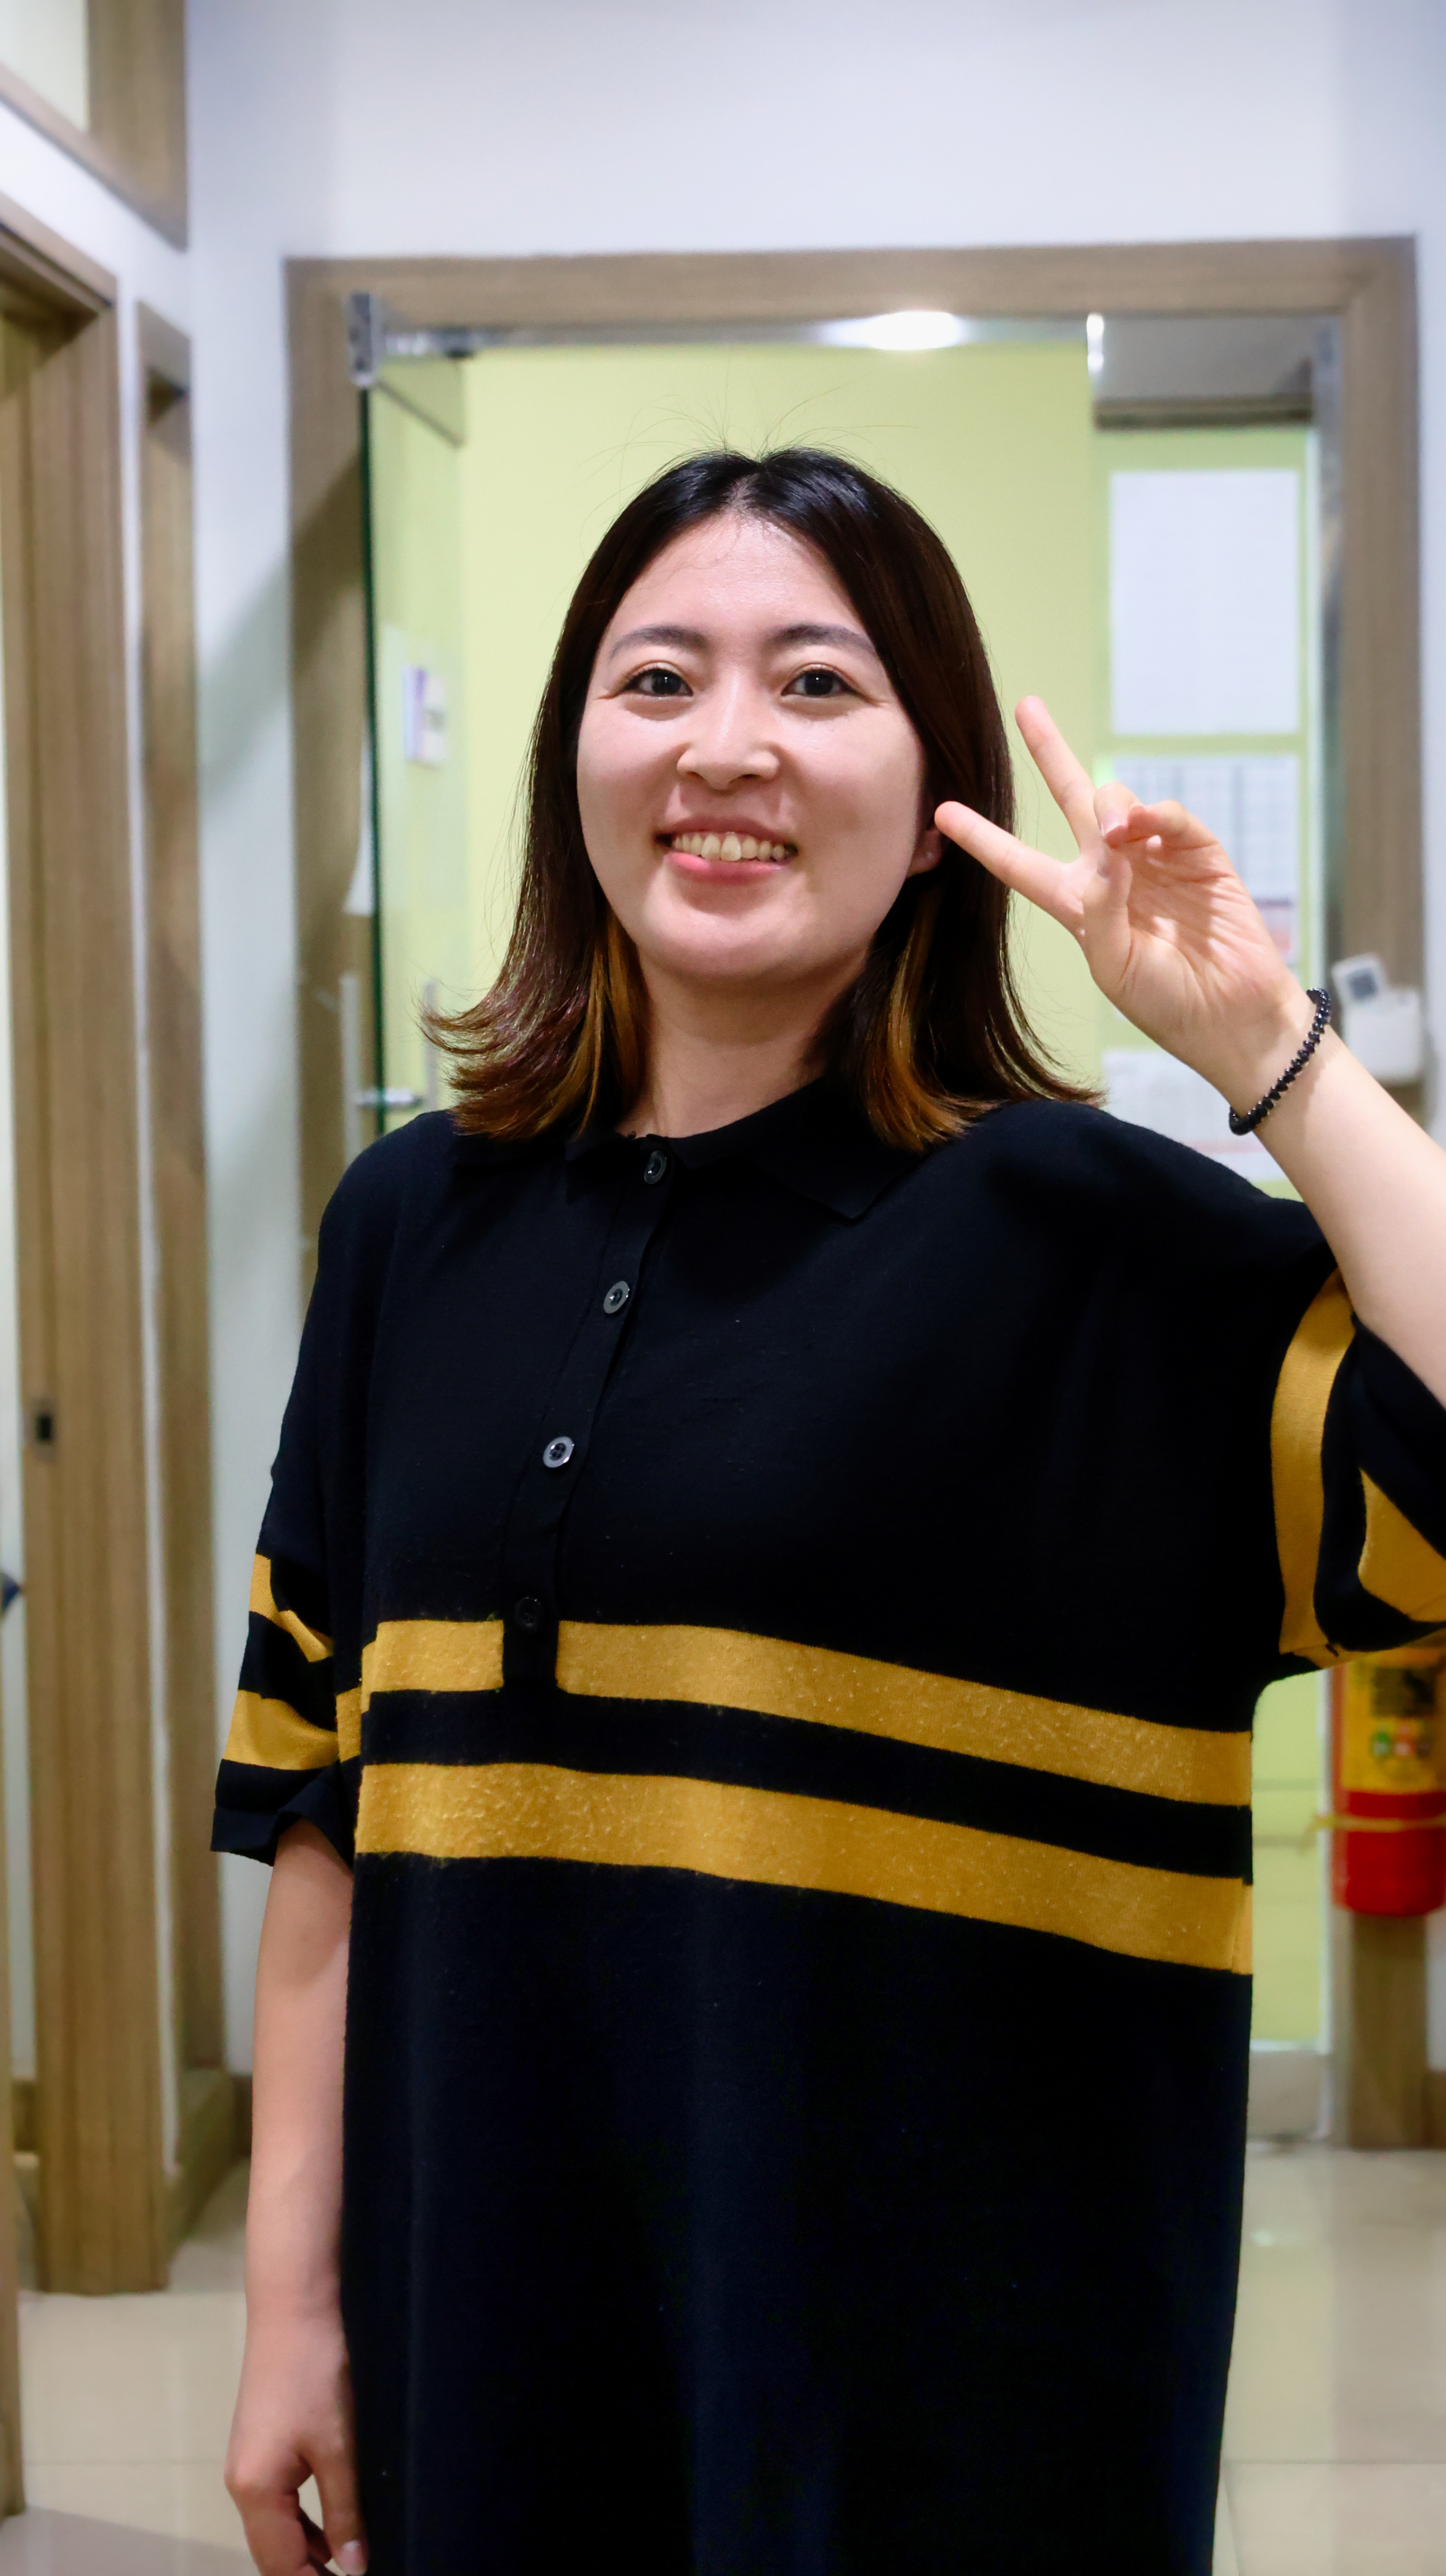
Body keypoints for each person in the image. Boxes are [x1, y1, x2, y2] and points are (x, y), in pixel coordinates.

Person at [216, 448, 1446, 2576]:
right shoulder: (410, 1223)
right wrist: (289, 2307)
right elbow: (321, 1802)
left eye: (813, 684)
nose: (724, 748)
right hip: (488, 2366)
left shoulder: (1090, 1242)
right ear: (573, 760)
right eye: (656, 680)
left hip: (963, 2424)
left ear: (935, 781)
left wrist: (1270, 1052)